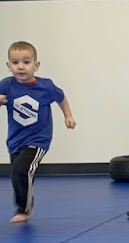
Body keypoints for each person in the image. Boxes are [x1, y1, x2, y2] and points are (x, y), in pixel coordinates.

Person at [0, 41, 76, 223]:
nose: (21, 67)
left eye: (26, 62)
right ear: (8, 66)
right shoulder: (6, 85)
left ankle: (24, 210)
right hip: (15, 141)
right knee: (18, 174)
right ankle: (25, 202)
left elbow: (61, 97)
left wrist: (68, 116)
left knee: (21, 170)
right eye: (15, 62)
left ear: (36, 65)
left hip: (38, 140)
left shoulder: (45, 86)